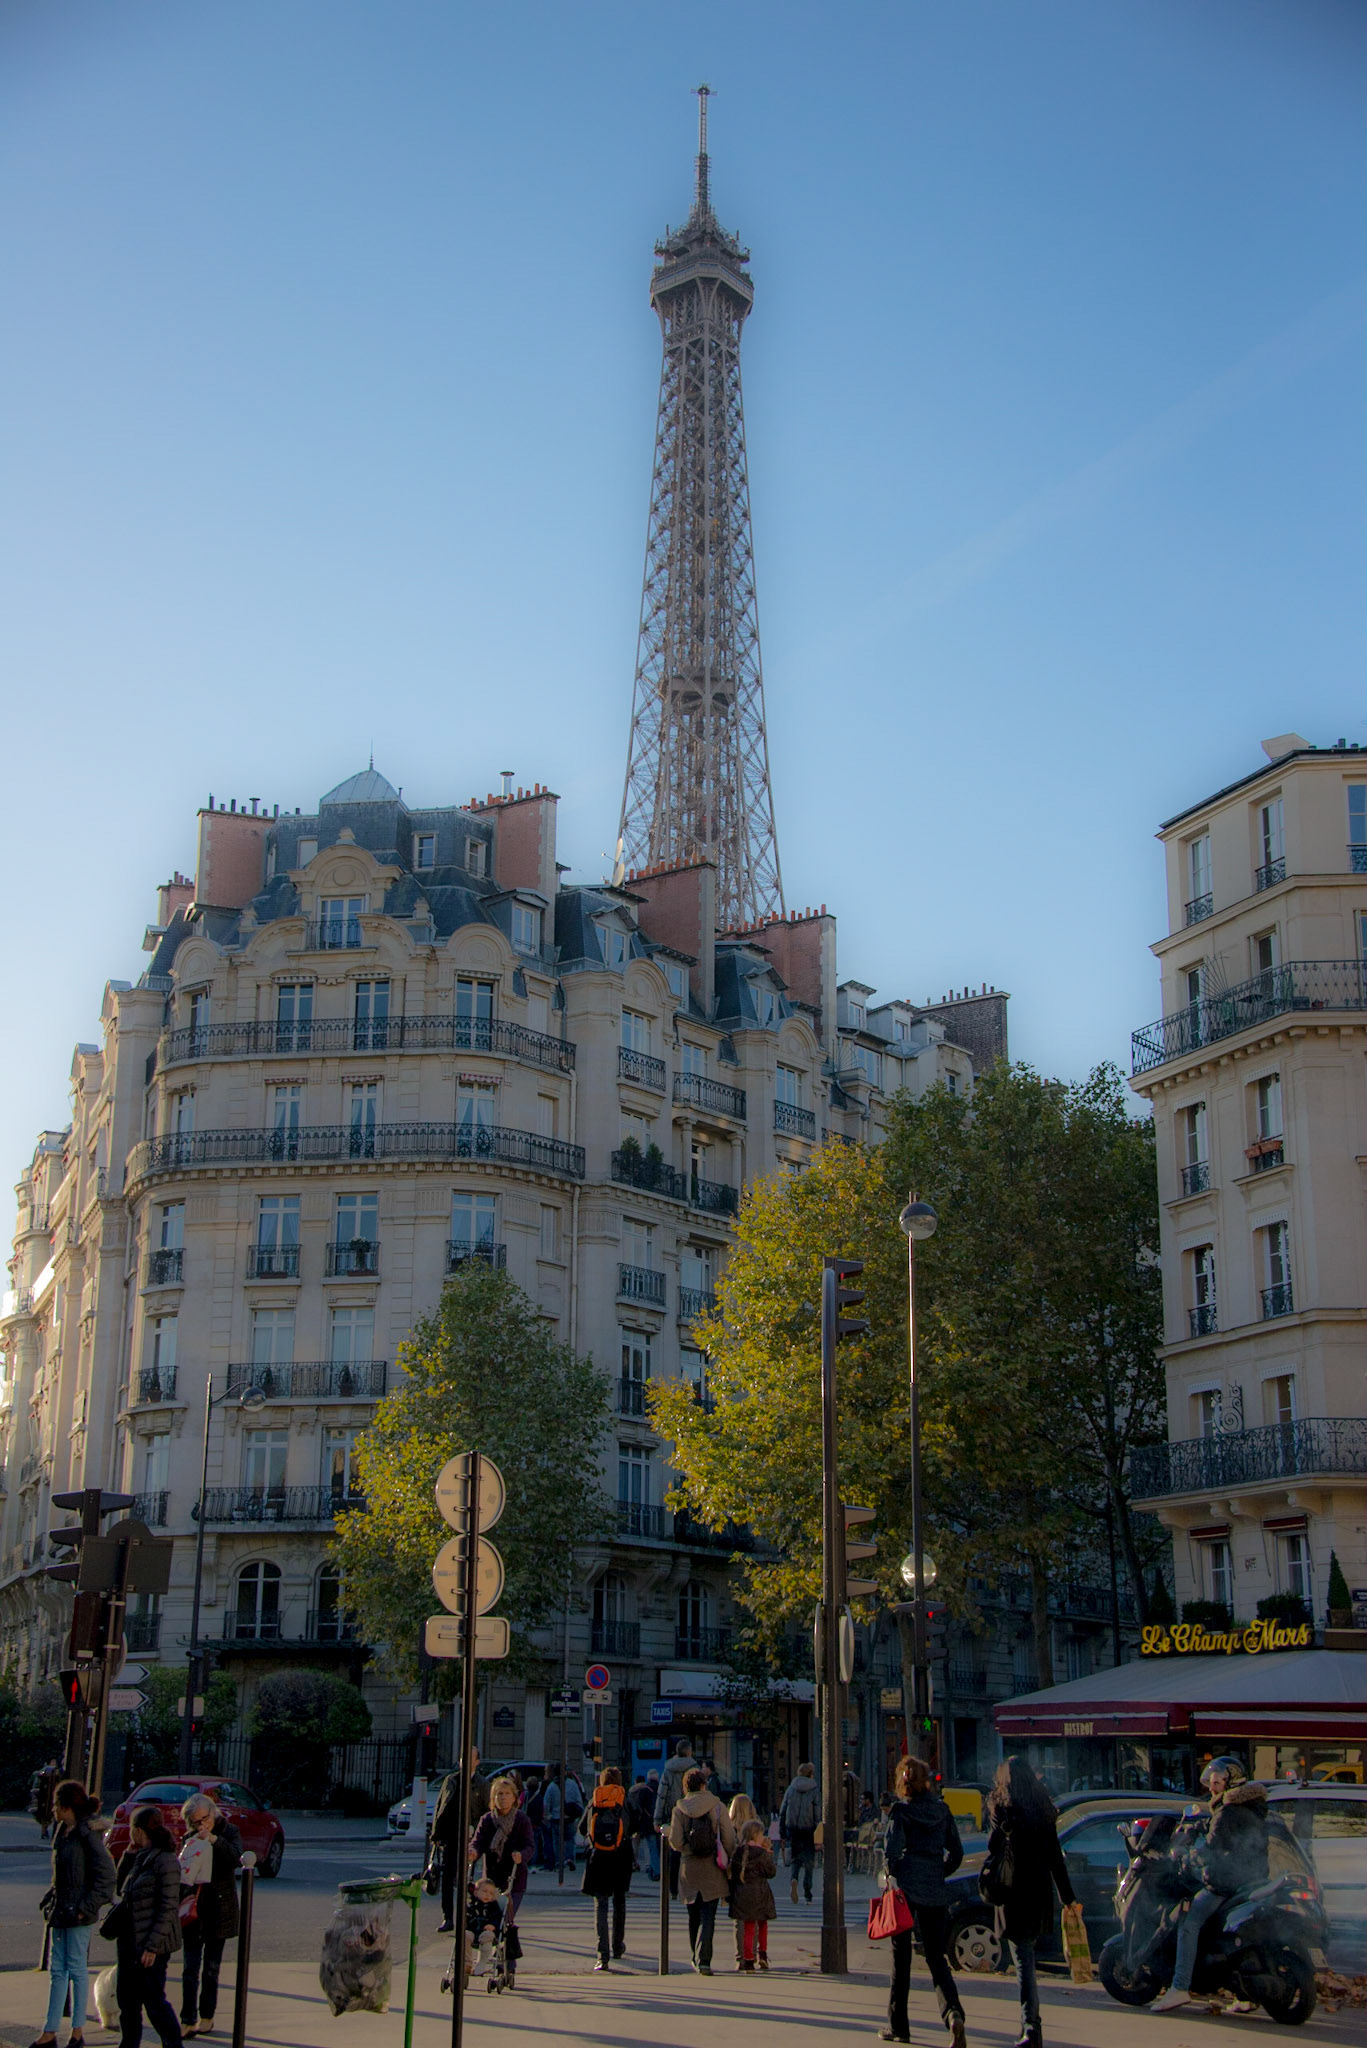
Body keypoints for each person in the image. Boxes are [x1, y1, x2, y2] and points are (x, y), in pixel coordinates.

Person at [1153, 1757, 1269, 2014]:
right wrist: (1198, 1826)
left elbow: (1212, 1847)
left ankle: (1179, 1988)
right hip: (1253, 1879)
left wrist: (1189, 1856)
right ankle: (1245, 1996)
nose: (1212, 1787)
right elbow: (1218, 1828)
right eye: (1211, 1781)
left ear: (1230, 1783)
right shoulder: (1250, 1806)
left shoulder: (1228, 1811)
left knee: (1189, 1923)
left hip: (1225, 1883)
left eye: (1218, 1782)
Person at [984, 1756, 1076, 2048]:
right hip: (1038, 1891)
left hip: (1013, 1892)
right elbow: (1055, 1858)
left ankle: (1031, 2027)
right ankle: (1030, 2026)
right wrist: (1068, 1897)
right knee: (1027, 1956)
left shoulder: (1002, 1808)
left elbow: (993, 1847)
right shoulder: (1043, 1810)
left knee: (1023, 1960)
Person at [879, 1755, 966, 2048]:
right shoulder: (942, 1811)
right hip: (934, 1887)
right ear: (926, 1780)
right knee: (935, 1957)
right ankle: (953, 2014)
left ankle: (899, 2026)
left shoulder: (901, 1813)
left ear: (902, 1782)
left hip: (906, 1889)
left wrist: (894, 1874)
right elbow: (956, 1852)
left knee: (900, 1958)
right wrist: (939, 1871)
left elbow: (891, 1853)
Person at [32, 1779, 115, 2048]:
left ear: (66, 1807)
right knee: (59, 1971)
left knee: (76, 1970)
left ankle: (76, 2031)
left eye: (57, 1805)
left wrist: (85, 1908)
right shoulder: (64, 1831)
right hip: (61, 1910)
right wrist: (51, 1901)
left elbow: (106, 1876)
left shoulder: (85, 1834)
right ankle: (51, 2030)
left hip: (76, 1911)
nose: (54, 1810)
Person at [110, 1805, 184, 2048]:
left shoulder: (166, 1860)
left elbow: (168, 1907)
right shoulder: (141, 1855)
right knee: (127, 2000)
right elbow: (123, 1889)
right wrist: (128, 1857)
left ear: (139, 1830)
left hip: (151, 1943)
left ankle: (173, 2044)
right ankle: (129, 2043)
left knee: (153, 2001)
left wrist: (152, 1946)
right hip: (130, 1938)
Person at [176, 1795, 240, 2037]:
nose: (202, 1824)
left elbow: (236, 1857)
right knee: (189, 1968)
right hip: (195, 1909)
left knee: (211, 1969)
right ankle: (187, 2018)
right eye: (196, 1822)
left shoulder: (229, 1831)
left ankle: (207, 2016)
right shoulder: (189, 1838)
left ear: (214, 1813)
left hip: (219, 1908)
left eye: (206, 1818)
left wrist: (213, 1840)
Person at [667, 1766, 736, 1975]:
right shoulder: (717, 1806)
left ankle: (694, 1955)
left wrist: (688, 1848)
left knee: (692, 1915)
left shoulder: (679, 1809)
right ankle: (704, 1959)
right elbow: (729, 1838)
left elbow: (675, 1841)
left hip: (690, 1867)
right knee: (709, 1915)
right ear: (704, 1784)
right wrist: (727, 1856)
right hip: (712, 1865)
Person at [468, 1777, 535, 1987]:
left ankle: (507, 1965)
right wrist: (473, 1851)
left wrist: (521, 1855)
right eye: (499, 1794)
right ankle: (488, 1956)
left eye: (506, 1794)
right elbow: (478, 1841)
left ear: (514, 1798)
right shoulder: (487, 1820)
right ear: (493, 1798)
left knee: (506, 1919)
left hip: (514, 1879)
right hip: (491, 1880)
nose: (503, 1798)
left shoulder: (521, 1820)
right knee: (490, 1919)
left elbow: (530, 1846)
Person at [579, 1767, 635, 1971]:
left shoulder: (595, 1799)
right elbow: (634, 1825)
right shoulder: (624, 1800)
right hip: (621, 1856)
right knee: (619, 1903)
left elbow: (582, 1828)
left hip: (599, 1858)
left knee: (600, 1904)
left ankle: (602, 1955)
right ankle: (617, 1946)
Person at [432, 1748, 487, 1932]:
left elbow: (486, 1812)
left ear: (477, 1762)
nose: (465, 1760)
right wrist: (436, 1833)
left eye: (470, 1757)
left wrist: (476, 1828)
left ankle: (468, 1915)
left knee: (468, 1879)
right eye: (463, 1757)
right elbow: (441, 1805)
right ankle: (448, 1917)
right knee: (447, 1877)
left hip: (471, 1837)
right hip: (451, 1835)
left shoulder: (481, 1784)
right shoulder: (451, 1780)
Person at [729, 1819, 777, 1973]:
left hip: (742, 1893)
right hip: (760, 1893)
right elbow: (771, 1872)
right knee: (762, 1924)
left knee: (748, 1926)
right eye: (762, 1834)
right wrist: (768, 1853)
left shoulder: (738, 1852)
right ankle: (762, 1954)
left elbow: (734, 1874)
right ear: (756, 1835)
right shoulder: (762, 1853)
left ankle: (748, 1960)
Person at [654, 1740, 694, 1897]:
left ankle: (672, 1889)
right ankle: (687, 1886)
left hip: (671, 1816)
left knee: (672, 1854)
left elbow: (661, 1796)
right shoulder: (693, 1769)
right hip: (690, 1816)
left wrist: (657, 1819)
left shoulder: (668, 1771)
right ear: (689, 1752)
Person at [779, 1762, 819, 1906]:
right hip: (808, 1829)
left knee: (795, 1858)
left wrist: (782, 1833)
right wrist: (817, 1828)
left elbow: (783, 1811)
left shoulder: (791, 1788)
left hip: (793, 1828)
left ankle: (793, 1879)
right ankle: (808, 1894)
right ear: (811, 1774)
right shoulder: (814, 1789)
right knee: (809, 1862)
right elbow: (817, 1812)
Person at [626, 1772, 658, 1880]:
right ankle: (648, 1865)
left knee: (635, 1843)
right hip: (645, 1820)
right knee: (648, 1845)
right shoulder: (647, 1789)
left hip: (635, 1820)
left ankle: (634, 1863)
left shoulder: (631, 1790)